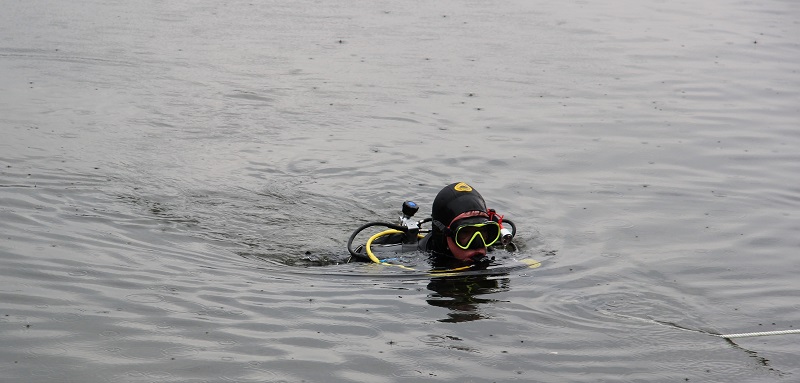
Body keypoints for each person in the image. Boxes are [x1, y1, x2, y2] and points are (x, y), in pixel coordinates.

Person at [417, 182, 508, 269]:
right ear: (443, 235)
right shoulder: (415, 263)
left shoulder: (504, 250)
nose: (477, 244)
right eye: (465, 232)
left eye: (483, 231)